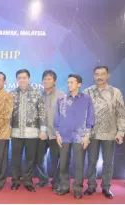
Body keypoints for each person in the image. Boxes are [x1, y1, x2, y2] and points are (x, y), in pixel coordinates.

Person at [83, 66, 125, 199]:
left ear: (108, 76)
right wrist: (84, 134)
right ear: (93, 76)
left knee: (108, 162)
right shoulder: (87, 92)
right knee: (91, 161)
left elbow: (121, 113)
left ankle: (106, 187)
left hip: (109, 133)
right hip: (92, 134)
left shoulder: (115, 92)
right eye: (97, 74)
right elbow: (82, 115)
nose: (99, 77)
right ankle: (91, 186)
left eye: (102, 74)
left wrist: (121, 132)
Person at [55, 74, 95, 199]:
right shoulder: (61, 99)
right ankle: (64, 186)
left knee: (79, 164)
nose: (69, 84)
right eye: (68, 82)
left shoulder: (86, 99)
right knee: (63, 163)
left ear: (79, 84)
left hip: (80, 136)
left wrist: (87, 135)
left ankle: (78, 188)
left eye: (72, 82)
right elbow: (57, 118)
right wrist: (57, 134)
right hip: (64, 136)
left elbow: (91, 117)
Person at [10, 69, 47, 192]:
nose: (22, 80)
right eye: (19, 78)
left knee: (30, 159)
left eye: (24, 78)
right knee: (15, 159)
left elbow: (42, 113)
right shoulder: (12, 94)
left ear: (29, 79)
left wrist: (43, 130)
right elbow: (8, 114)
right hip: (15, 132)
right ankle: (15, 181)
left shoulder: (37, 93)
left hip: (32, 133)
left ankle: (27, 181)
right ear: (17, 80)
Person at [35, 70, 64, 192]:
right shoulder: (37, 94)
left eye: (49, 79)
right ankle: (43, 179)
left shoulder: (61, 95)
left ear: (55, 81)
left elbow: (65, 114)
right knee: (39, 158)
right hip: (41, 134)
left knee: (56, 160)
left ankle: (56, 182)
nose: (46, 81)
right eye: (45, 79)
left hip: (55, 134)